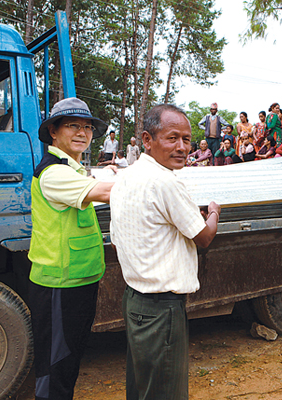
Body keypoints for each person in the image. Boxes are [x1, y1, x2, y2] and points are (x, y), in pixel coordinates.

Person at [110, 104, 221, 400]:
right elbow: (204, 237)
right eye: (172, 138)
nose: (182, 147)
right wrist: (213, 212)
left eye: (187, 139)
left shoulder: (125, 177)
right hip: (162, 310)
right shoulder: (166, 182)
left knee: (143, 387)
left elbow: (122, 237)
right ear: (147, 140)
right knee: (165, 393)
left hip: (135, 300)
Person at [27, 97, 114, 400]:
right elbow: (105, 191)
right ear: (53, 130)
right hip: (58, 285)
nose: (82, 133)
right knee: (55, 369)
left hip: (79, 280)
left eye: (88, 127)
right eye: (73, 126)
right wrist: (152, 178)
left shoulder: (73, 169)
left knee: (69, 361)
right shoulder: (54, 173)